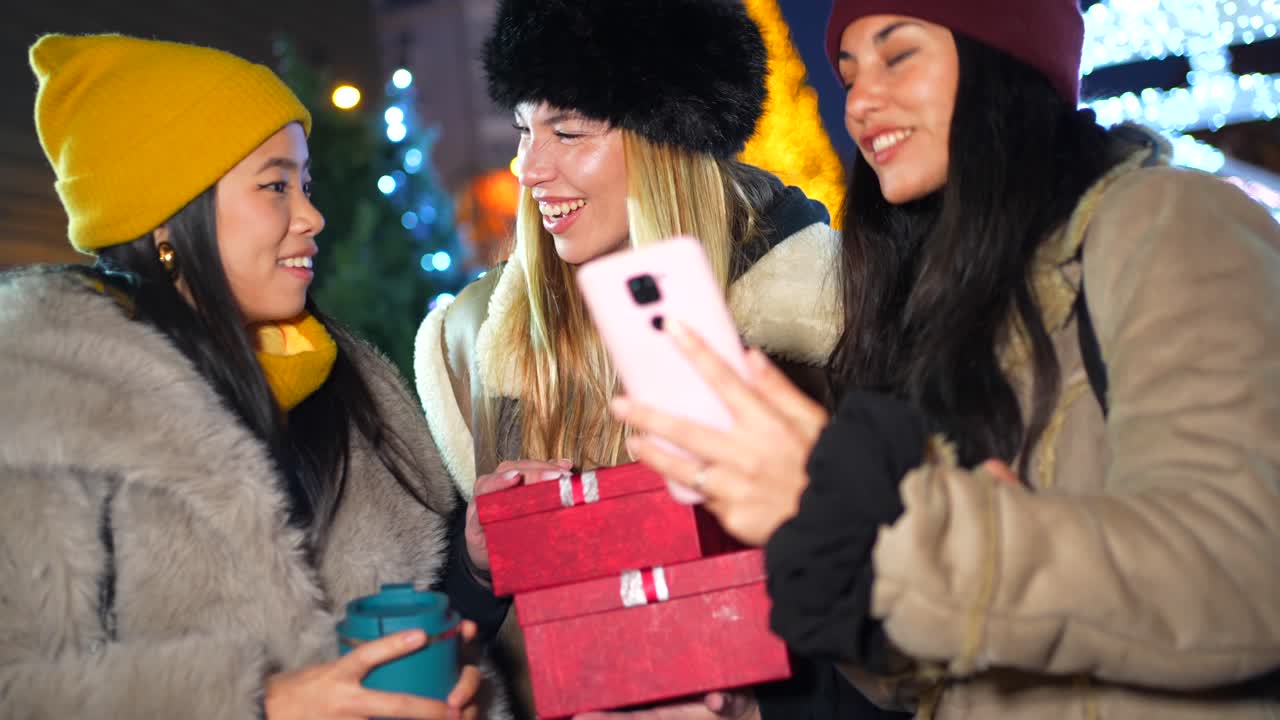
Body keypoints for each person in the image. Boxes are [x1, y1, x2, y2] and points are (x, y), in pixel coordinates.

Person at [614, 0, 1280, 717]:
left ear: (1008, 58)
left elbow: (1242, 573)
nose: (862, 101)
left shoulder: (1168, 223)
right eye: (847, 74)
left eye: (899, 56)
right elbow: (935, 674)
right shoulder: (931, 301)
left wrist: (880, 528)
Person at [0, 34, 509, 720]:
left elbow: (413, 626)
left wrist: (477, 565)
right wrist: (263, 705)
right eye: (275, 186)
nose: (312, 216)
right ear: (164, 221)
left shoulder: (350, 387)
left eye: (305, 184)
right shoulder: (40, 404)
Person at [415, 2, 901, 719]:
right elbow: (445, 657)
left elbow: (915, 653)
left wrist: (760, 704)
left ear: (665, 144)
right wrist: (475, 567)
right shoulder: (477, 346)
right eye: (524, 129)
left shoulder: (829, 326)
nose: (529, 168)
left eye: (569, 131)